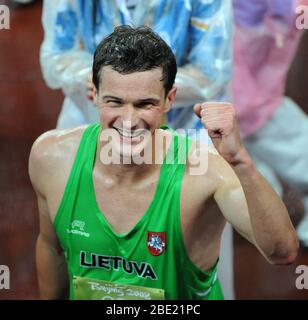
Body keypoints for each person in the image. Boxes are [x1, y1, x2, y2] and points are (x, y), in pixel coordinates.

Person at [29, 26, 298, 300]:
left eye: (144, 104)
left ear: (169, 99)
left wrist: (240, 162)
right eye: (115, 102)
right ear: (94, 94)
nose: (129, 120)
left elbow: (282, 251)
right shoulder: (52, 158)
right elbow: (52, 248)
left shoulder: (205, 173)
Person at [40, 0, 235, 299]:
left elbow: (212, 73)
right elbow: (55, 57)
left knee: (199, 265)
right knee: (82, 253)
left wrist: (136, 87)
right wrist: (106, 86)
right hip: (91, 122)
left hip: (186, 131)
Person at [232, 0, 308, 246]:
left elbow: (295, 13)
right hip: (240, 63)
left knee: (270, 129)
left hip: (253, 62)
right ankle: (263, 219)